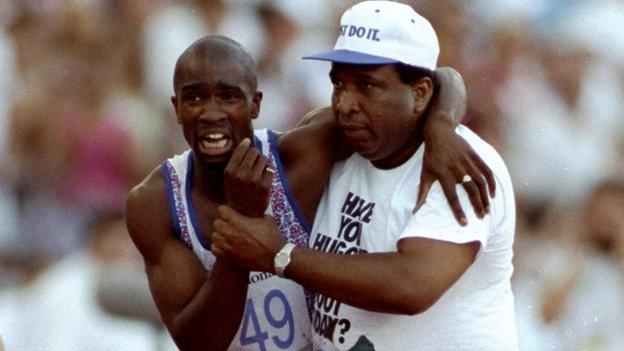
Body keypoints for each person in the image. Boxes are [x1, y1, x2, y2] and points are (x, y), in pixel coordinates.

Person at [126, 34, 494, 350]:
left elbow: (442, 80)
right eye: (194, 99)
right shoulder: (155, 203)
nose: (211, 113)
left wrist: (442, 127)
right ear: (175, 108)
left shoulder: (301, 155)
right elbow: (199, 343)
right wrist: (243, 225)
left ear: (255, 103)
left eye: (228, 97)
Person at [211, 1, 517, 350]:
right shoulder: (337, 142)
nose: (345, 103)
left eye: (367, 85)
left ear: (419, 94)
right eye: (339, 83)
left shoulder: (458, 166)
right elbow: (446, 80)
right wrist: (441, 119)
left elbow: (412, 286)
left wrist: (281, 255)